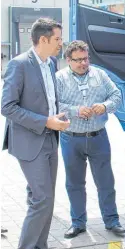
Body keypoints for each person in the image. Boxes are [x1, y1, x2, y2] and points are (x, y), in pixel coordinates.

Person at [1, 18, 70, 249]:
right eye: (58, 39)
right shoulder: (18, 65)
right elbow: (7, 107)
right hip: (30, 142)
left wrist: (58, 117)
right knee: (41, 200)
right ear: (43, 39)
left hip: (51, 138)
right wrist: (45, 121)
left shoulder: (51, 63)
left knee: (46, 201)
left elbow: (47, 100)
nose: (61, 43)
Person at [56, 40, 125, 238]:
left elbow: (116, 96)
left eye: (85, 59)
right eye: (78, 60)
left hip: (98, 138)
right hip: (71, 138)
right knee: (75, 183)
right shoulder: (59, 79)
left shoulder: (100, 75)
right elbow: (53, 104)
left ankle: (112, 221)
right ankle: (78, 223)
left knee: (105, 182)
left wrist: (104, 106)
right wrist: (75, 111)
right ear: (68, 60)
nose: (83, 64)